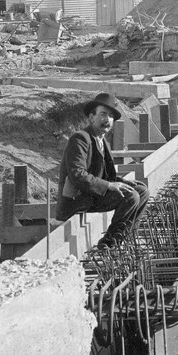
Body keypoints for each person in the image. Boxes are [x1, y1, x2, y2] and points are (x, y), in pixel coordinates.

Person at [56, 92, 149, 247]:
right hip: (77, 200)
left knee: (141, 191)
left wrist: (123, 182)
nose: (107, 119)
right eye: (103, 114)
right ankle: (109, 244)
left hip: (93, 195)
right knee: (130, 196)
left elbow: (104, 175)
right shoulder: (80, 138)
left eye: (111, 116)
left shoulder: (102, 140)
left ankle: (127, 237)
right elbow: (77, 175)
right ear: (91, 117)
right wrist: (109, 185)